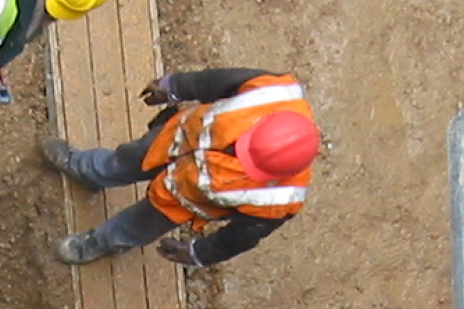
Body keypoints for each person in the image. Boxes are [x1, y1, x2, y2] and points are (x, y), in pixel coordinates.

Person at [41, 67, 320, 267]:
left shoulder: (279, 200)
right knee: (124, 159)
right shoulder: (274, 92)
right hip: (171, 141)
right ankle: (86, 169)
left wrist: (200, 253)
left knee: (135, 226)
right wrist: (174, 86)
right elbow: (216, 80)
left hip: (178, 202)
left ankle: (98, 243)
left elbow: (239, 237)